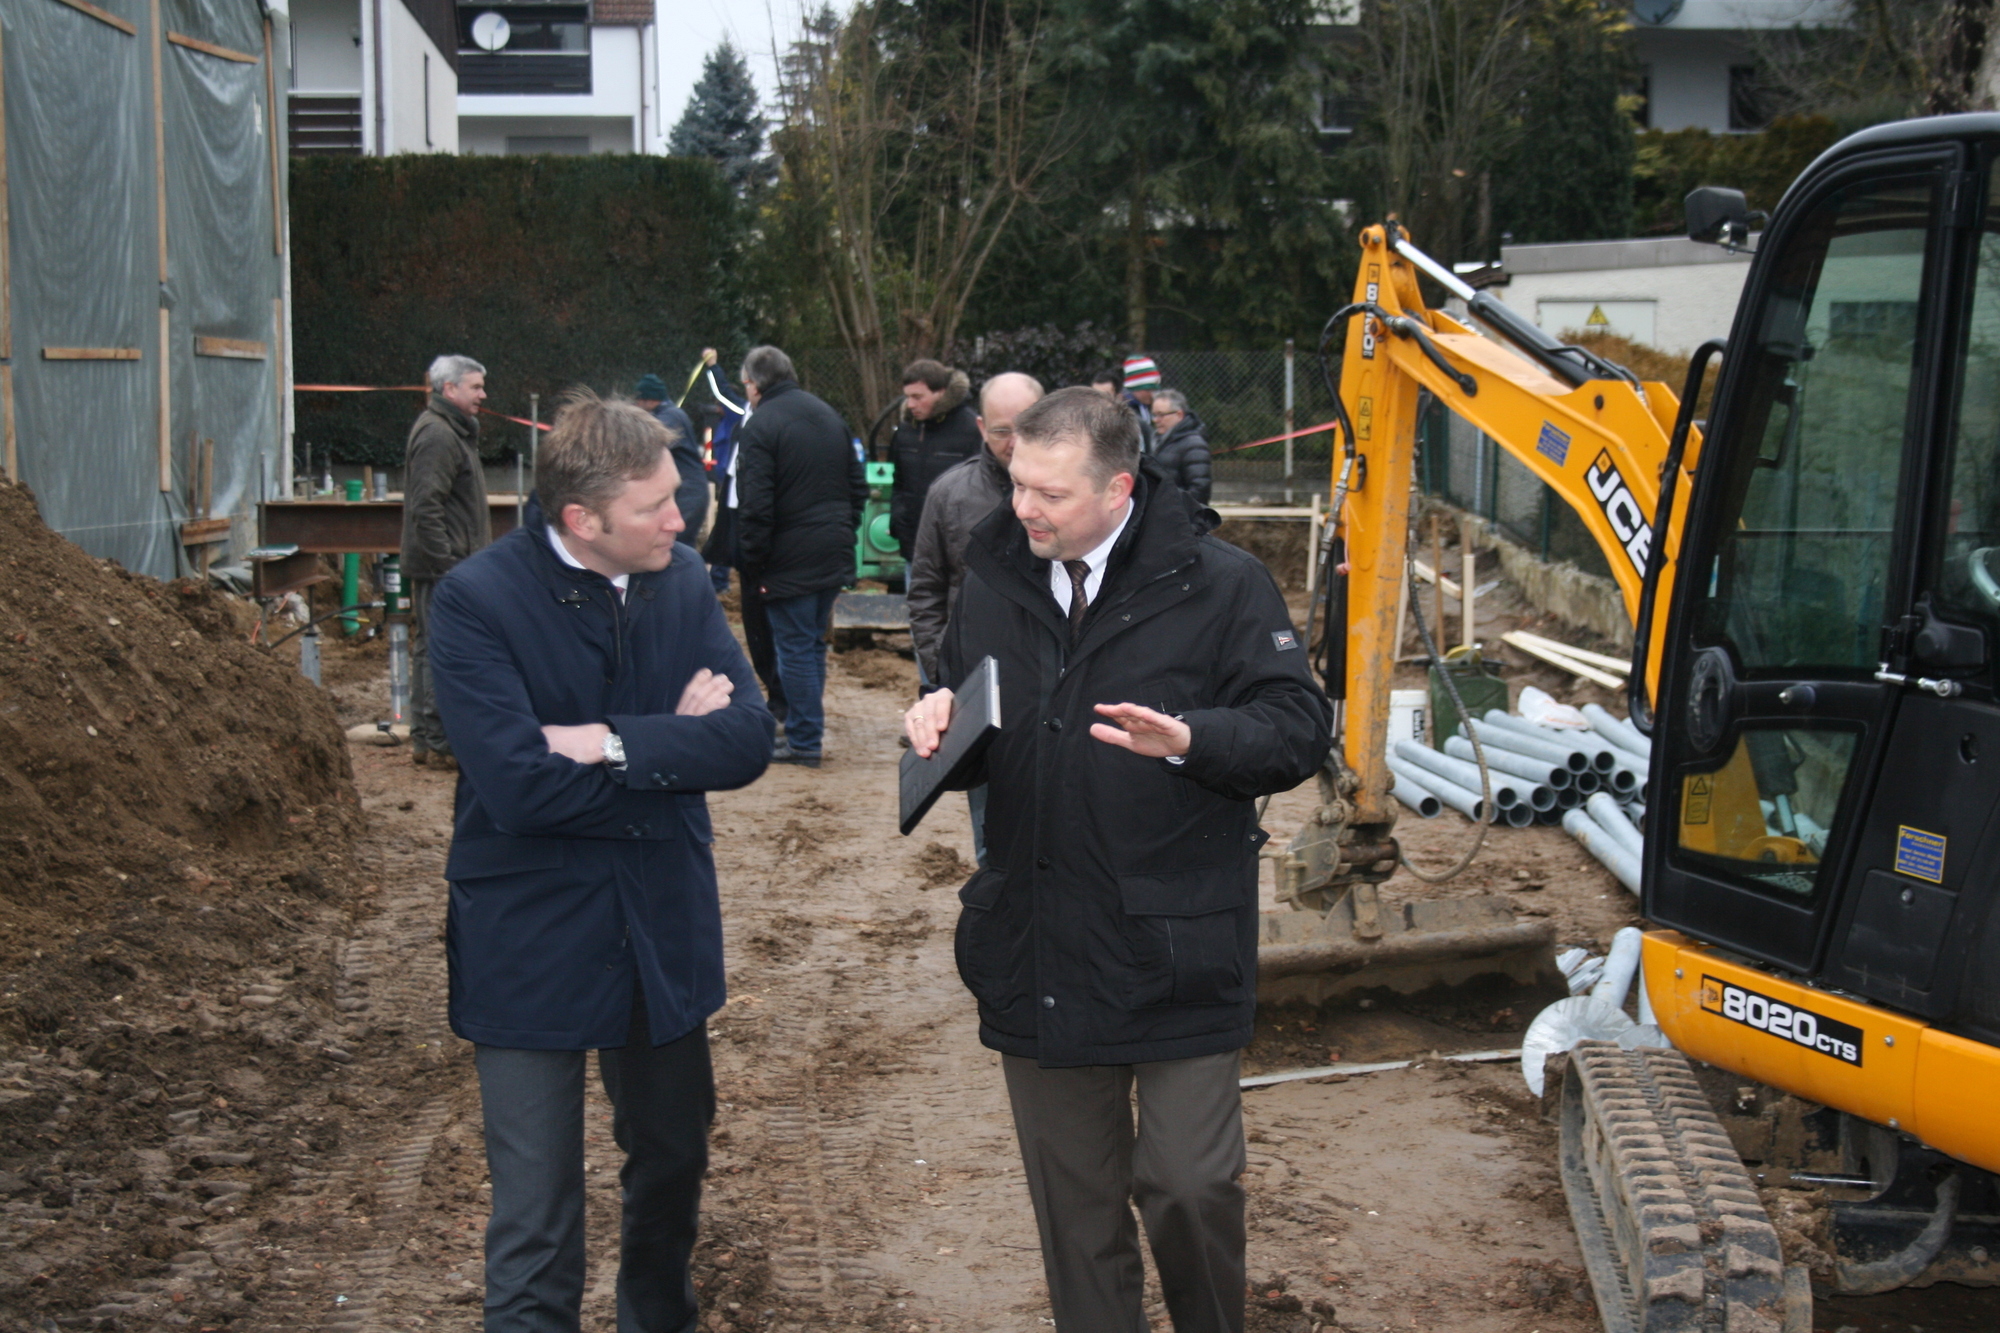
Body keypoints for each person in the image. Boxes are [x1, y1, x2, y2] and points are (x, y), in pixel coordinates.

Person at [904, 386, 1330, 1333]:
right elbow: (978, 719)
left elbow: (1298, 729)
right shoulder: (994, 577)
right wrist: (938, 724)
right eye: (1017, 483)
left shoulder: (1221, 584)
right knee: (1078, 1218)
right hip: (1040, 938)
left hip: (1176, 942)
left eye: (1049, 494)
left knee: (1189, 1183)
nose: (1022, 509)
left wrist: (1189, 739)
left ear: (1120, 488)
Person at [427, 389, 773, 1333]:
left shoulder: (683, 580)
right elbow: (519, 789)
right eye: (655, 507)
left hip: (658, 926)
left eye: (677, 495)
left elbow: (747, 738)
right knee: (536, 1209)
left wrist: (609, 743)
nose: (681, 517)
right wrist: (671, 749)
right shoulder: (475, 602)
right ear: (581, 519)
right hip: (529, 933)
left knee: (672, 1161)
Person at [904, 370, 1043, 867]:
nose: (1013, 441)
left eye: (1026, 426)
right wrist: (944, 670)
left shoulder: (1071, 490)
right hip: (980, 683)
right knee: (992, 821)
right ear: (982, 427)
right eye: (1002, 429)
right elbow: (925, 589)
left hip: (1054, 680)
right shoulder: (950, 495)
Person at [734, 345, 868, 767]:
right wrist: (844, 530)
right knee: (809, 645)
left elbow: (756, 504)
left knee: (793, 646)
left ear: (753, 385)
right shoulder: (829, 416)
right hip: (832, 548)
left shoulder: (760, 426)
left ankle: (804, 740)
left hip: (788, 554)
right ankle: (802, 731)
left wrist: (752, 559)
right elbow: (857, 485)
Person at [401, 354, 492, 770]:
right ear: (449, 389)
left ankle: (427, 739)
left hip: (449, 565)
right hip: (445, 568)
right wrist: (450, 566)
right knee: (444, 649)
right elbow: (426, 507)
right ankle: (439, 742)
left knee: (431, 647)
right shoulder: (439, 435)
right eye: (475, 387)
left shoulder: (452, 432)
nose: (483, 394)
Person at [887, 359, 984, 563]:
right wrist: (898, 518)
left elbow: (984, 487)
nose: (910, 404)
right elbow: (899, 483)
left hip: (956, 549)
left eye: (917, 397)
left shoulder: (971, 429)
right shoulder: (906, 430)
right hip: (912, 545)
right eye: (908, 397)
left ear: (941, 392)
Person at [634, 372, 710, 542]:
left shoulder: (670, 418)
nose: (637, 405)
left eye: (638, 400)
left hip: (688, 492)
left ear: (649, 399)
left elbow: (644, 446)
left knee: (674, 545)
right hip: (688, 490)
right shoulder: (670, 414)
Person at [1150, 388, 1213, 506]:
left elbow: (1200, 491)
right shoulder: (1158, 442)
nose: (1156, 420)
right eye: (1154, 415)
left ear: (1179, 414)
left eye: (1161, 415)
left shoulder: (1194, 444)